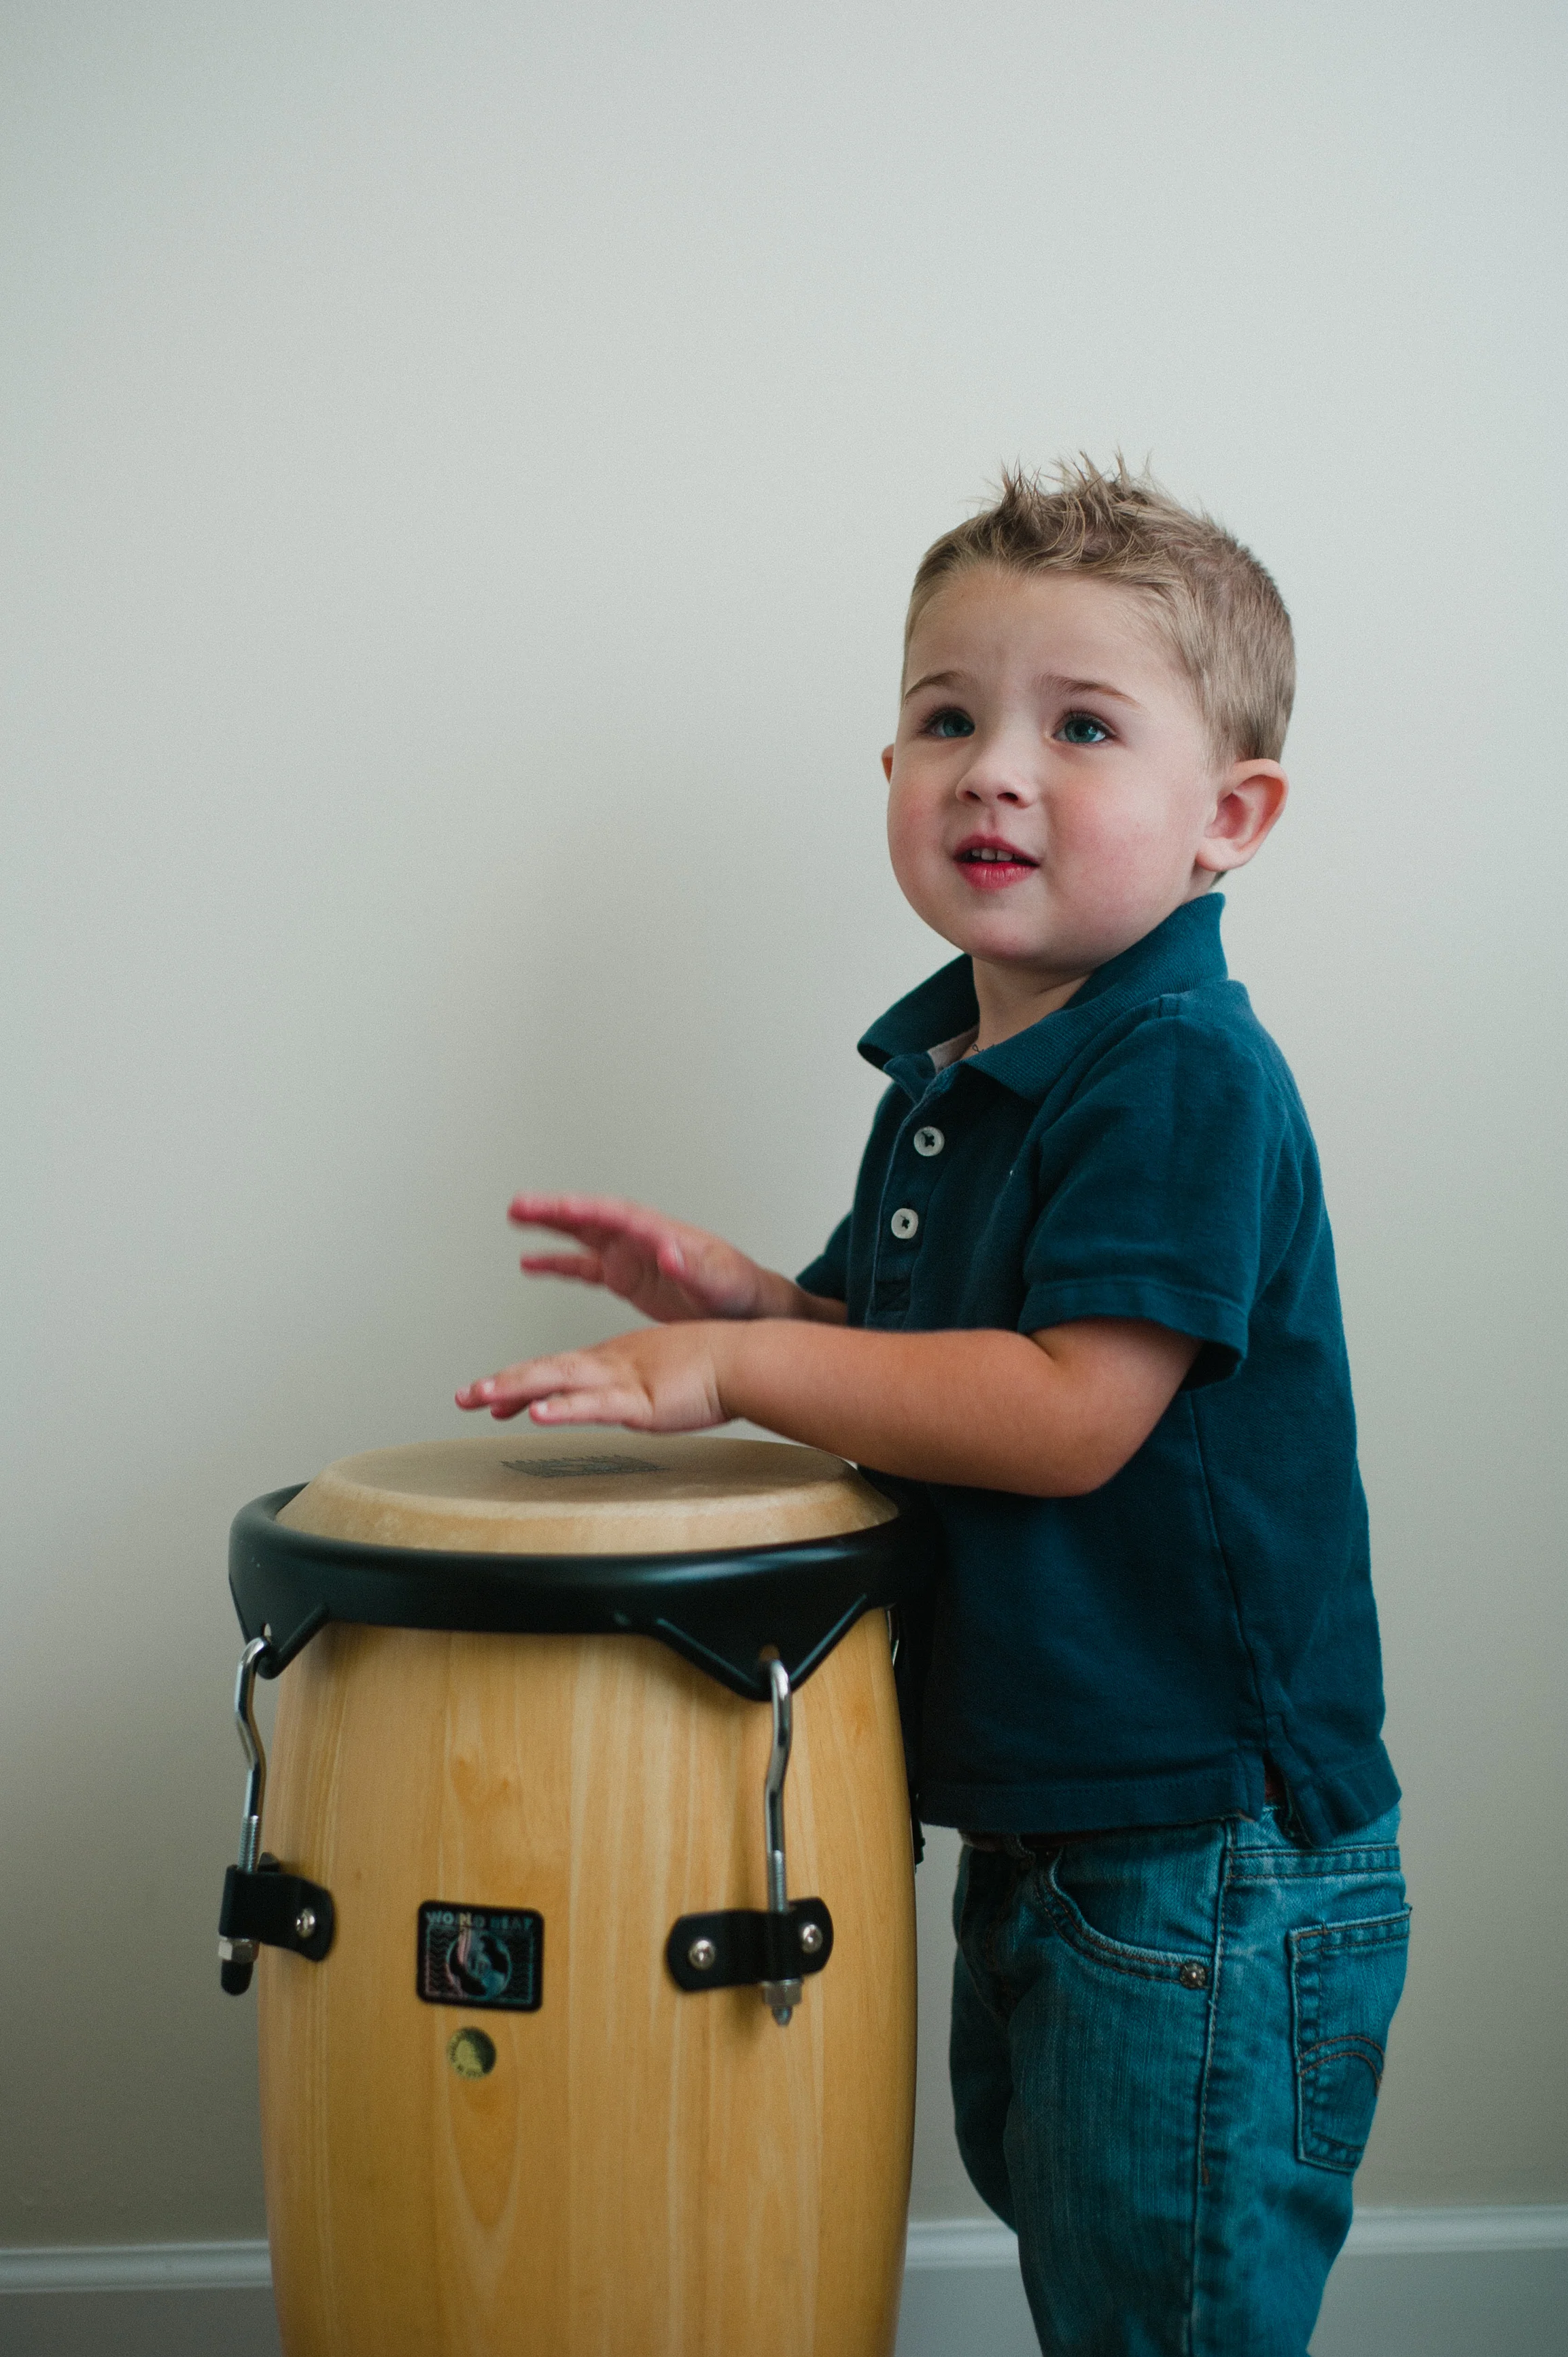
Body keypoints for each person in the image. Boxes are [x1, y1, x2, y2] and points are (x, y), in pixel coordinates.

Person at [456, 460, 1409, 2357]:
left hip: (1202, 1847)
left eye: (1082, 727)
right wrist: (755, 1299)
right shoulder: (960, 1074)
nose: (994, 767)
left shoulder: (1177, 1074)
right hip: (1061, 1822)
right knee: (1097, 2276)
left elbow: (1063, 1415)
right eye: (947, 717)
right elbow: (914, 1376)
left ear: (1231, 816)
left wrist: (734, 1370)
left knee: (1167, 2313)